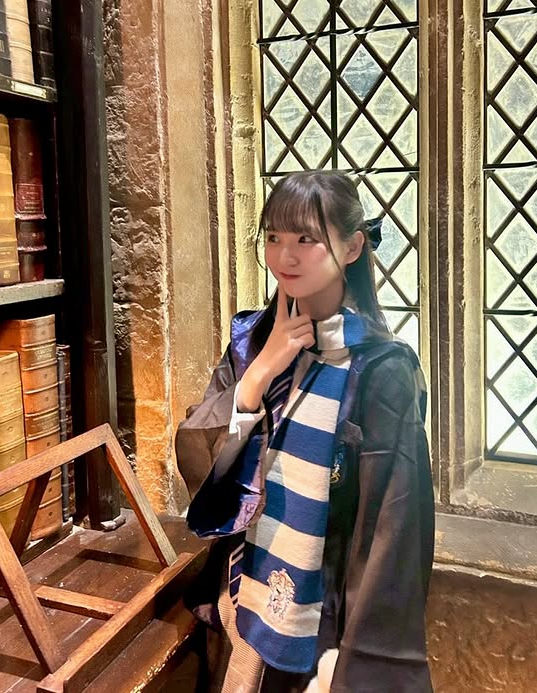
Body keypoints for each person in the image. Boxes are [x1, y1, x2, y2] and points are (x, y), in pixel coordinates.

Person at [176, 170, 434, 693]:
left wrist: (350, 660)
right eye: (273, 237)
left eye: (306, 239)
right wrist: (257, 376)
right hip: (242, 592)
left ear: (353, 247)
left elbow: (394, 532)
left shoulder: (380, 371)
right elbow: (200, 457)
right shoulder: (250, 341)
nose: (284, 257)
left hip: (327, 618)